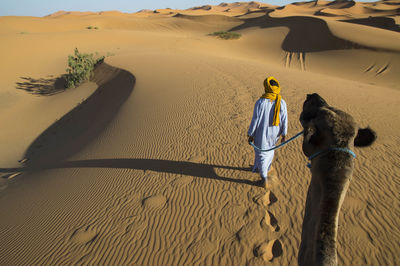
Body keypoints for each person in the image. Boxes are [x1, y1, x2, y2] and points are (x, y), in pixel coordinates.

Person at [247, 76, 288, 188]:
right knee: (269, 151)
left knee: (262, 154)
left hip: (262, 133)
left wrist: (250, 134)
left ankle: (264, 178)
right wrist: (284, 133)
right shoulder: (282, 102)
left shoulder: (260, 102)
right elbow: (285, 119)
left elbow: (255, 119)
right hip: (275, 134)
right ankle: (259, 167)